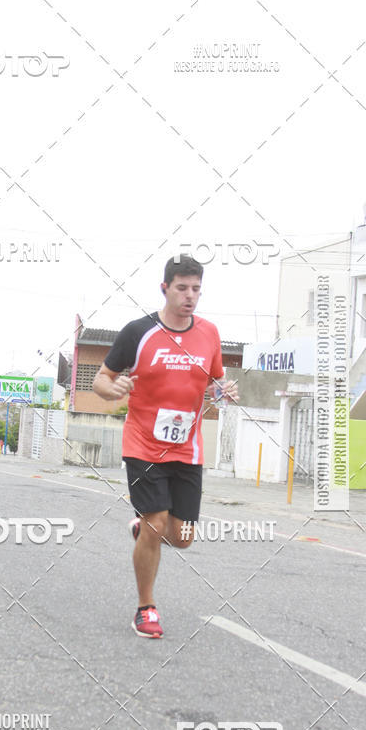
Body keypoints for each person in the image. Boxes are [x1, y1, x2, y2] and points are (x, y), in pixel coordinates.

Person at [93, 255, 239, 638]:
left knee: (183, 537)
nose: (190, 296)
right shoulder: (138, 331)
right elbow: (101, 379)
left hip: (187, 447)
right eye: (182, 288)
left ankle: (143, 531)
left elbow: (212, 383)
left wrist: (222, 391)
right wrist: (114, 388)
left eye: (196, 289)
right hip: (143, 443)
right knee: (155, 524)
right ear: (165, 289)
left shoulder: (209, 333)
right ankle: (146, 608)